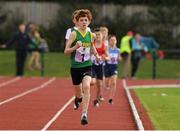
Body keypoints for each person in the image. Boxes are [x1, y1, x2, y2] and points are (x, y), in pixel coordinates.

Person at [64, 9, 100, 125]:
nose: (84, 22)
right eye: (81, 20)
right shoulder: (74, 34)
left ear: (89, 22)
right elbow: (66, 51)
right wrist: (75, 47)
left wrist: (97, 55)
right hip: (75, 68)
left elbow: (92, 47)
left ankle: (84, 114)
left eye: (86, 20)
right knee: (79, 94)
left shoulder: (90, 34)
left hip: (87, 66)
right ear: (77, 22)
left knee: (87, 86)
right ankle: (78, 98)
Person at [91, 28, 109, 107]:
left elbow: (108, 57)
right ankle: (84, 87)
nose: (98, 36)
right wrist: (93, 54)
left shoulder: (104, 46)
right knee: (92, 82)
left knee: (99, 85)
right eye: (96, 35)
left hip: (100, 66)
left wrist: (104, 57)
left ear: (102, 36)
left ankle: (96, 100)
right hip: (92, 65)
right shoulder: (92, 44)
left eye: (99, 35)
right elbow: (88, 53)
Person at [105, 35, 122, 104]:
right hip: (107, 66)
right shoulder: (106, 49)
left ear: (116, 41)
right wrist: (106, 58)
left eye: (114, 40)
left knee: (114, 82)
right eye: (111, 40)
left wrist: (119, 58)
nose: (113, 41)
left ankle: (110, 99)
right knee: (107, 84)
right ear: (109, 41)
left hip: (114, 67)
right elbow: (104, 57)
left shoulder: (118, 50)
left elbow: (120, 59)